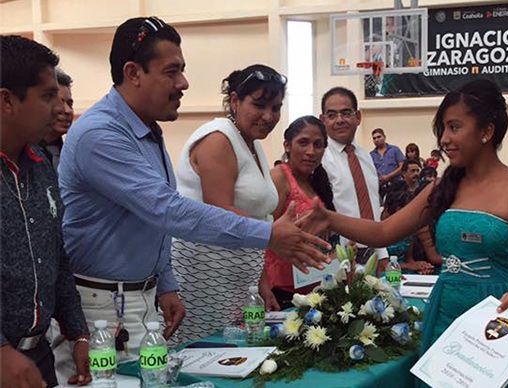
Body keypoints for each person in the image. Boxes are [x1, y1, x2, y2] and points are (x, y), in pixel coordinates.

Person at [57, 17, 329, 376]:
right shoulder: (101, 134)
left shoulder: (147, 130)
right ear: (133, 72)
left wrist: (165, 282)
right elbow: (169, 211)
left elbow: (151, 222)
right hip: (103, 309)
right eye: (172, 72)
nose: (184, 83)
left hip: (143, 300)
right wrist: (268, 234)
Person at [305, 79, 508, 387]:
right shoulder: (443, 187)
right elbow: (383, 232)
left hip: (497, 316)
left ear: (487, 131)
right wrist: (329, 218)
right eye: (443, 129)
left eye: (454, 127)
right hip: (446, 312)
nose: (445, 139)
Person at [170, 64, 288, 341]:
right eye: (259, 105)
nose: (269, 116)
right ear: (234, 100)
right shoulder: (218, 139)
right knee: (209, 356)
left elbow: (257, 217)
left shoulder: (252, 142)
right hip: (205, 273)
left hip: (240, 274)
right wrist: (276, 237)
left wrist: (261, 282)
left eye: (276, 108)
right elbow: (220, 212)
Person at [0, 35, 90, 388]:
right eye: (47, 96)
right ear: (7, 100)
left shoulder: (41, 166)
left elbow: (56, 257)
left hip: (37, 358)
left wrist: (78, 331)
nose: (60, 108)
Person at [262, 116, 337, 310]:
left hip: (313, 287)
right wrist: (261, 286)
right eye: (303, 143)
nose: (311, 151)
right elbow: (261, 233)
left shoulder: (316, 183)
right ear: (287, 145)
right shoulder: (279, 177)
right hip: (280, 289)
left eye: (318, 145)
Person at [319, 87, 389, 269]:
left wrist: (382, 254)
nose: (339, 120)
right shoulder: (320, 160)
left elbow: (374, 208)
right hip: (339, 258)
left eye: (346, 113)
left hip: (373, 253)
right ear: (323, 120)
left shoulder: (365, 157)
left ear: (358, 117)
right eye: (332, 115)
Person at [38, 68, 73, 172]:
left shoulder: (73, 152)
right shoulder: (21, 154)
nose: (67, 111)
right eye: (59, 102)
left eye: (70, 104)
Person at [369, 127, 405, 198]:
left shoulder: (394, 150)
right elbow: (371, 171)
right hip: (380, 187)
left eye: (379, 137)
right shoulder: (371, 155)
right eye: (374, 138)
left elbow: (402, 167)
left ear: (384, 137)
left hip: (396, 185)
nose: (376, 139)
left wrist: (388, 177)